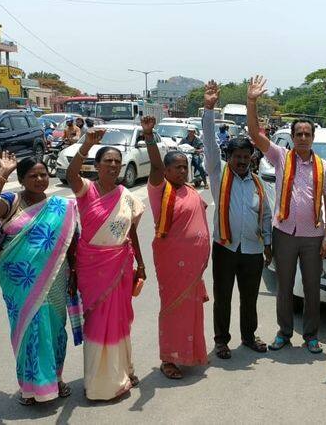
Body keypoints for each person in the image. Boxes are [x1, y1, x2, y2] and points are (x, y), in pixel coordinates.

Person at [0, 152, 78, 405]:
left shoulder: (62, 207)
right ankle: (30, 386)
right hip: (19, 281)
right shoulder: (12, 202)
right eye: (33, 175)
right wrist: (2, 174)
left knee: (54, 329)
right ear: (21, 179)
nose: (40, 179)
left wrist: (74, 272)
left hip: (56, 277)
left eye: (43, 174)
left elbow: (71, 243)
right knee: (27, 330)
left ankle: (55, 378)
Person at [247, 75, 326, 354]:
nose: (302, 138)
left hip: (313, 236)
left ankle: (310, 335)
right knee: (284, 287)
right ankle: (284, 333)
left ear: (313, 137)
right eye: (298, 134)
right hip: (284, 233)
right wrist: (252, 101)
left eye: (307, 134)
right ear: (292, 136)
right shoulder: (281, 157)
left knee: (312, 289)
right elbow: (254, 135)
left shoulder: (325, 167)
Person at [66, 128, 146, 400]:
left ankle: (123, 369)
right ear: (97, 166)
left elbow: (131, 232)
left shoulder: (126, 195)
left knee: (120, 320)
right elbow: (70, 175)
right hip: (92, 267)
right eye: (107, 161)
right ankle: (98, 382)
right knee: (98, 322)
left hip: (121, 266)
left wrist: (142, 266)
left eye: (117, 162)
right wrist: (86, 145)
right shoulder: (86, 190)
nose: (113, 165)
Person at [201, 82, 271, 360]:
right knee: (224, 297)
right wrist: (209, 109)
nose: (241, 161)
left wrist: (268, 243)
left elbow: (265, 215)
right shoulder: (219, 177)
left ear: (252, 158)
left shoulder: (258, 184)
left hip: (253, 250)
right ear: (229, 157)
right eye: (237, 156)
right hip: (225, 247)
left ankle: (249, 336)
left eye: (246, 157)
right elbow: (208, 144)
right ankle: (221, 340)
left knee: (250, 298)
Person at [142, 116, 210, 379]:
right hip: (173, 265)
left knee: (191, 311)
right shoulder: (161, 190)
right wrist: (149, 137)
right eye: (177, 168)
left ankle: (191, 354)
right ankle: (169, 359)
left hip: (194, 267)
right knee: (172, 311)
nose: (182, 172)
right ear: (167, 172)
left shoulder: (191, 190)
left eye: (185, 167)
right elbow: (156, 167)